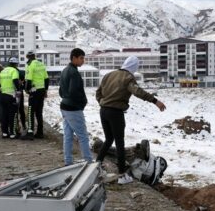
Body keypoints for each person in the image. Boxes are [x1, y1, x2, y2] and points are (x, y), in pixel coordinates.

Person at [96, 56, 166, 184]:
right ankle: (122, 176)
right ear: (133, 67)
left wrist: (102, 102)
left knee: (109, 139)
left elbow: (98, 92)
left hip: (103, 111)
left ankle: (97, 165)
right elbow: (137, 91)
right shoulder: (128, 77)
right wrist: (155, 101)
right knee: (119, 143)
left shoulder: (109, 75)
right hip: (115, 113)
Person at [59, 48, 93, 165]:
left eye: (84, 58)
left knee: (68, 136)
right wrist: (83, 102)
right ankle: (88, 161)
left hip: (64, 106)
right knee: (83, 136)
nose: (83, 60)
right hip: (73, 108)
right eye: (81, 58)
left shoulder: (64, 70)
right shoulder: (74, 72)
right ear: (74, 58)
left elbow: (60, 91)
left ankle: (68, 161)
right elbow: (74, 92)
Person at [21, 51, 49, 140]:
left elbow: (28, 80)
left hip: (34, 91)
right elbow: (47, 79)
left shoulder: (30, 65)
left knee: (30, 111)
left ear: (28, 57)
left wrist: (27, 90)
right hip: (41, 90)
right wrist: (45, 90)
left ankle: (30, 132)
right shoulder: (41, 64)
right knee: (39, 112)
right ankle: (40, 132)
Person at [0, 58, 23, 139]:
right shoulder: (14, 71)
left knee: (3, 115)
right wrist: (18, 90)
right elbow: (15, 80)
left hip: (2, 95)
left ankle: (5, 133)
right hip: (11, 95)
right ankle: (12, 133)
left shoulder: (3, 71)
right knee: (12, 114)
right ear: (16, 64)